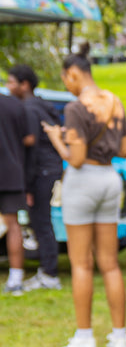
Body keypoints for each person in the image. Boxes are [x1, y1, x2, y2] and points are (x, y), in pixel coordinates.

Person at [42, 42, 126, 347]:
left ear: (73, 74)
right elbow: (123, 150)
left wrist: (57, 140)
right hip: (110, 178)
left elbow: (76, 159)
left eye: (65, 79)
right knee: (110, 263)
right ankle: (120, 336)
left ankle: (85, 338)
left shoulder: (75, 107)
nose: (66, 85)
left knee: (81, 263)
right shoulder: (114, 100)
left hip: (83, 181)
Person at [6, 65, 64, 291]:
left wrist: (27, 185)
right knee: (42, 220)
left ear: (24, 84)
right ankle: (47, 270)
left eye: (12, 82)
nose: (9, 87)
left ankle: (49, 274)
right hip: (51, 168)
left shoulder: (29, 109)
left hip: (40, 170)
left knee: (41, 221)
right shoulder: (42, 104)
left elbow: (31, 147)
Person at [0, 92, 35, 295]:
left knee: (12, 226)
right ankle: (16, 278)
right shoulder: (14, 104)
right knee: (13, 225)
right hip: (12, 172)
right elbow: (29, 138)